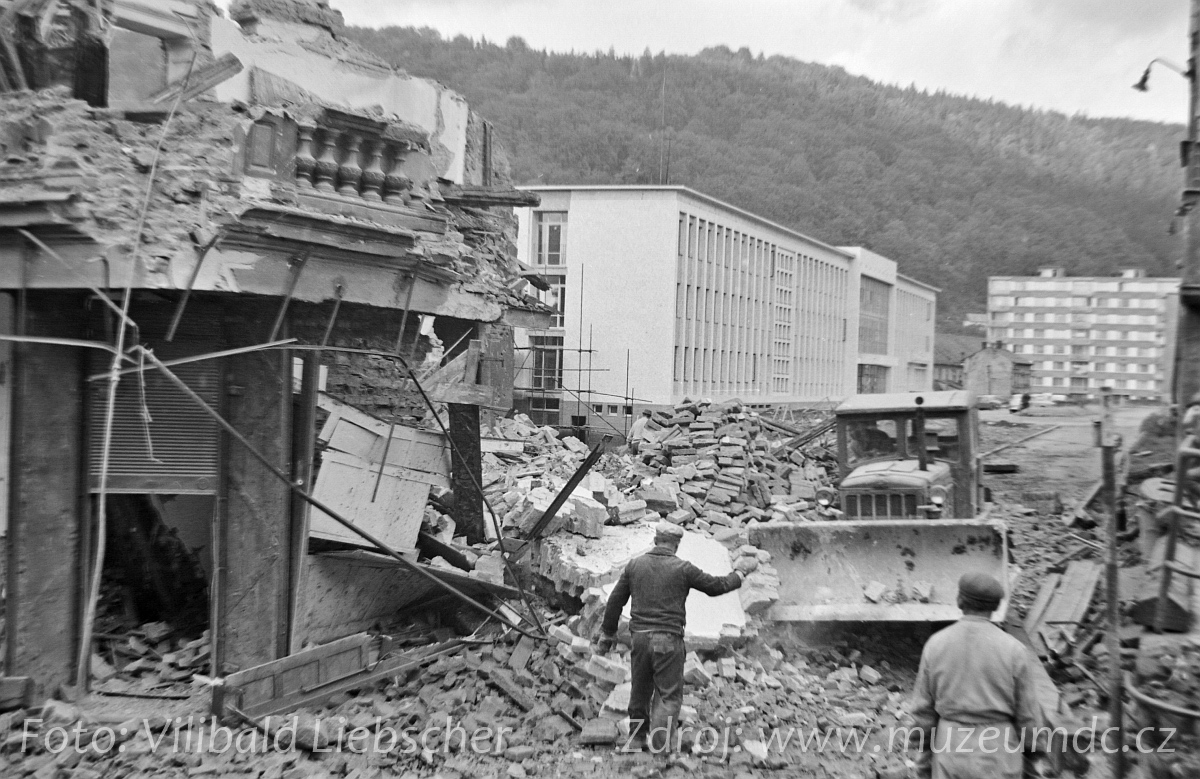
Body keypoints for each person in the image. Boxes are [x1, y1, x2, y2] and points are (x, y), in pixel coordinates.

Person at [596, 522, 753, 753]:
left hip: (639, 638)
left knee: (640, 691)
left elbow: (615, 601)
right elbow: (715, 586)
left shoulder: (635, 565)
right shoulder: (683, 568)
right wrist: (740, 573)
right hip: (669, 639)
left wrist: (608, 633)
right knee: (668, 696)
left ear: (656, 540)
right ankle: (660, 747)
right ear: (676, 544)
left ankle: (636, 740)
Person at [909, 573, 1043, 779]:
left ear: (959, 601)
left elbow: (923, 712)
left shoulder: (936, 644)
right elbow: (1028, 715)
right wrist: (1033, 754)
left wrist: (923, 756)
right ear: (997, 606)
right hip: (999, 751)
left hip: (950, 749)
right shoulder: (1014, 649)